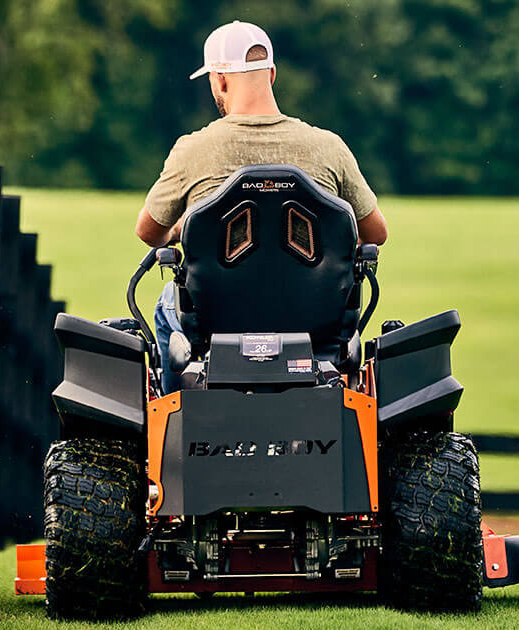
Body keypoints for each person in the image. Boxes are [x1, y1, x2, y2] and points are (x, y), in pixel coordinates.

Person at [135, 20, 388, 392]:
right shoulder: (329, 148)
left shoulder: (193, 150)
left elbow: (148, 232)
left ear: (220, 80)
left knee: (166, 304)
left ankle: (176, 417)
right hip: (315, 322)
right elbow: (376, 234)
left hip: (216, 324)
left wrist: (181, 228)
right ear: (272, 74)